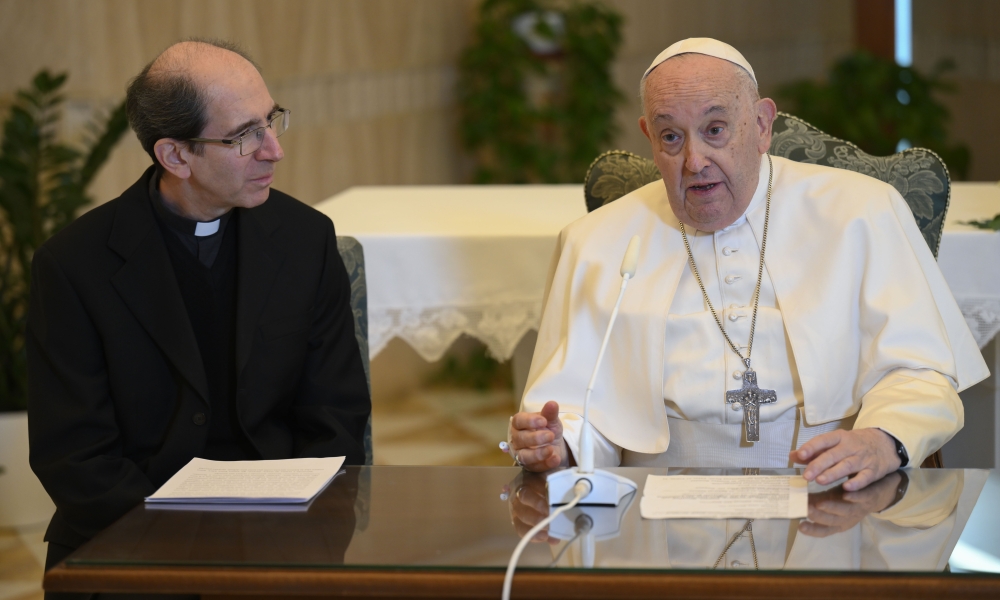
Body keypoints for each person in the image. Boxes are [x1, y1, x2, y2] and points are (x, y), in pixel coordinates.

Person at [509, 38, 988, 491]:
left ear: (761, 125)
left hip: (829, 495)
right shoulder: (595, 242)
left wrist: (881, 439)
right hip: (658, 514)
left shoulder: (862, 212)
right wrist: (560, 445)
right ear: (648, 137)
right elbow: (579, 409)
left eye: (715, 130)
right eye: (671, 137)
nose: (695, 161)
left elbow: (923, 373)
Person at [27, 39, 370, 581]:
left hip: (283, 533)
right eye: (243, 136)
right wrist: (191, 550)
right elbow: (75, 457)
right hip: (131, 542)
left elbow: (336, 411)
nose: (273, 150)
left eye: (271, 120)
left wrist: (291, 532)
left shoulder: (306, 238)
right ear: (175, 156)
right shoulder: (73, 266)